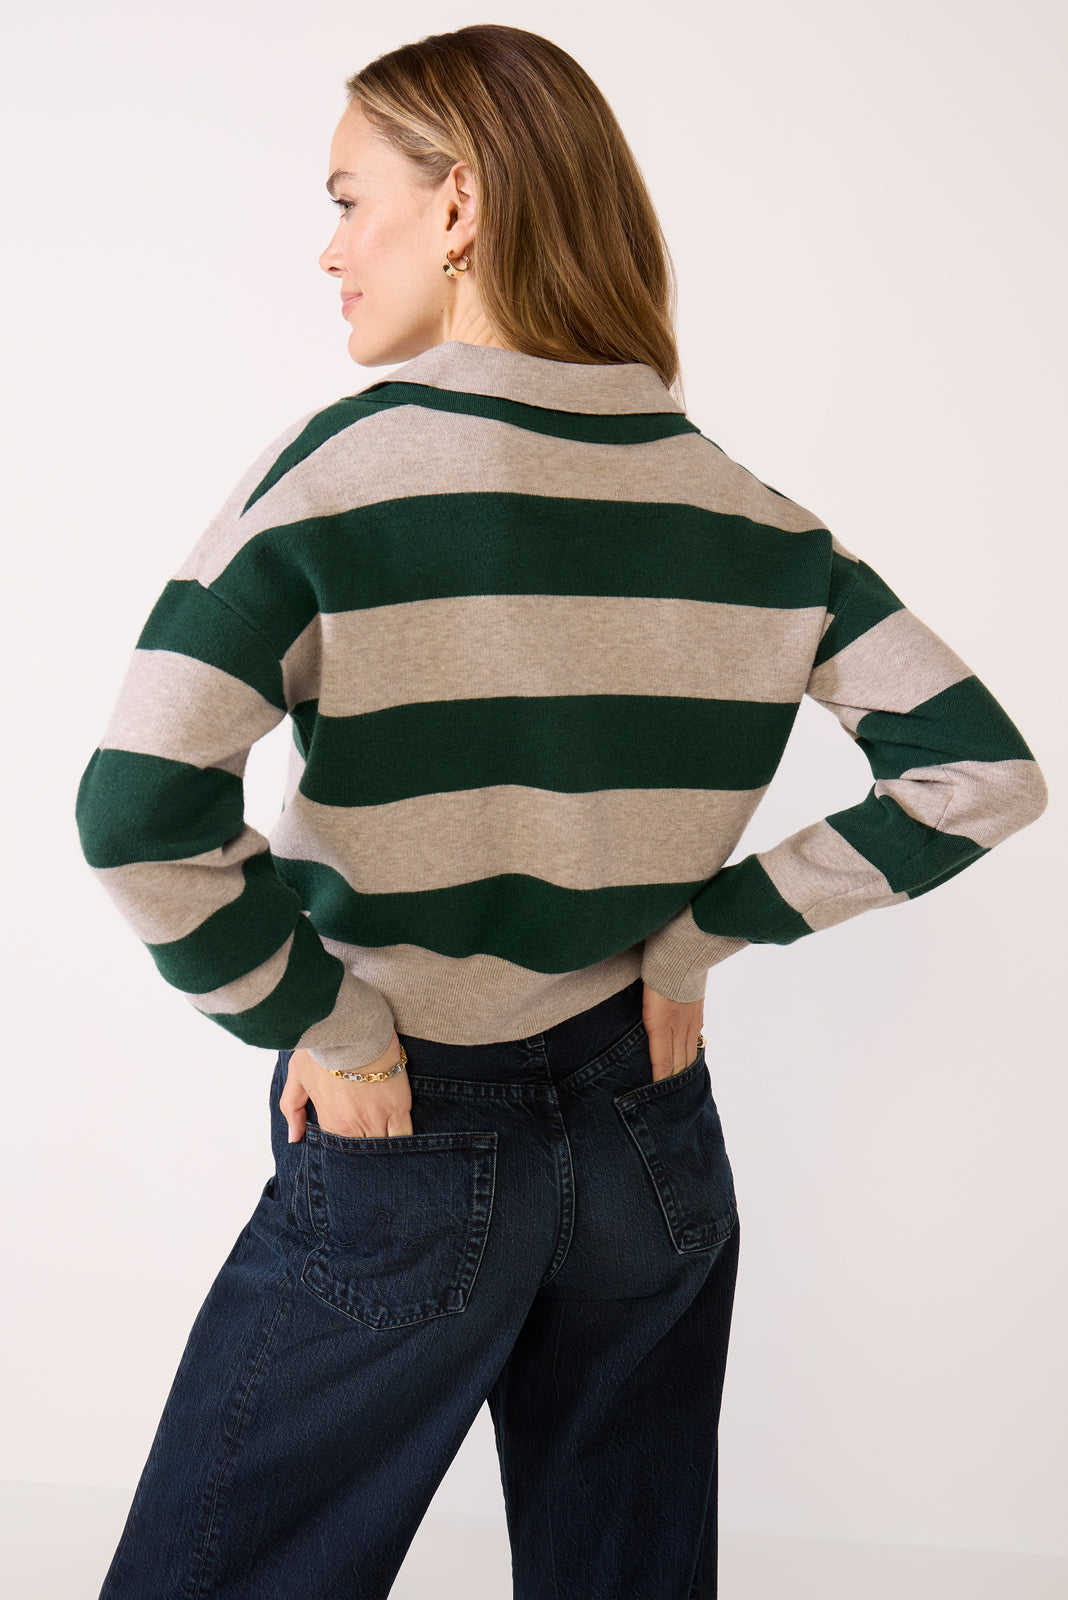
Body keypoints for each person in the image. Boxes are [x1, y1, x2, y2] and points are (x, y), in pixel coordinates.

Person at [74, 23, 1047, 1600]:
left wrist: (334, 1025)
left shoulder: (345, 474)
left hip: (407, 1133)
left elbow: (137, 809)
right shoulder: (746, 510)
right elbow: (979, 771)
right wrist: (697, 938)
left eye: (348, 199)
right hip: (647, 1134)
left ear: (458, 205)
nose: (330, 250)